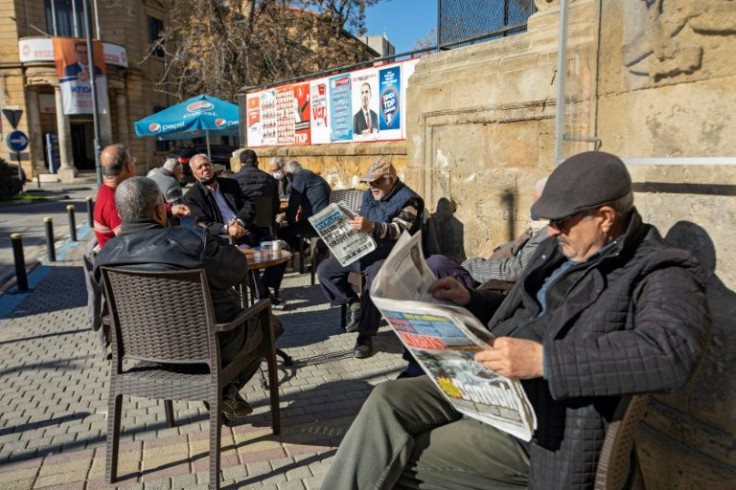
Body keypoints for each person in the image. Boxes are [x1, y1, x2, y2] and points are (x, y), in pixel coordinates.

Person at [321, 151, 710, 489]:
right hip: (487, 382)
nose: (551, 230)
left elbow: (672, 352)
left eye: (561, 221)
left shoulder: (660, 271)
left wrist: (543, 360)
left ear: (605, 218)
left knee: (393, 456)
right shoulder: (564, 248)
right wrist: (471, 299)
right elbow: (523, 310)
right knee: (386, 399)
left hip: (541, 422)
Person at [94, 177, 258, 426]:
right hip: (210, 347)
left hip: (148, 355)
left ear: (120, 213)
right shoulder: (192, 241)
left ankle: (224, 390)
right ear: (161, 209)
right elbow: (237, 268)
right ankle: (223, 389)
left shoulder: (104, 256)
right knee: (267, 323)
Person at [317, 158, 424, 358]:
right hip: (363, 249)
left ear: (390, 179)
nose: (372, 186)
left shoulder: (409, 200)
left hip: (390, 253)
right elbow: (361, 217)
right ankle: (352, 302)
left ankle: (365, 337)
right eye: (369, 182)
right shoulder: (369, 195)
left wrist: (371, 226)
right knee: (325, 271)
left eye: (376, 182)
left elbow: (398, 230)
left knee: (373, 284)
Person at [183, 153, 287, 308]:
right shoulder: (192, 197)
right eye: (200, 167)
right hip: (224, 239)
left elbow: (250, 205)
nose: (205, 168)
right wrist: (227, 229)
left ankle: (265, 284)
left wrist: (239, 221)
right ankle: (265, 297)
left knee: (283, 247)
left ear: (213, 166)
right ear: (194, 173)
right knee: (243, 258)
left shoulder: (230, 184)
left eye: (207, 164)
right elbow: (202, 224)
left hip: (247, 229)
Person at [426, 178, 549, 288]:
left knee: (437, 264)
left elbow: (513, 270)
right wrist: (494, 252)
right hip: (488, 269)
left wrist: (474, 265)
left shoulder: (547, 234)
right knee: (435, 263)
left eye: (537, 201)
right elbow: (516, 245)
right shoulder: (539, 227)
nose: (533, 207)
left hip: (492, 284)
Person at [276, 160, 332, 250]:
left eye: (287, 176)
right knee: (293, 227)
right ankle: (307, 249)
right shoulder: (311, 176)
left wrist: (289, 221)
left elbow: (293, 204)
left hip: (316, 222)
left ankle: (306, 248)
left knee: (281, 232)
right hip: (328, 219)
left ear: (290, 173)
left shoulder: (299, 177)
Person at [232, 150, 279, 222]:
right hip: (266, 224)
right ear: (257, 162)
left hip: (242, 225)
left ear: (240, 163)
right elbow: (275, 205)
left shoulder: (232, 180)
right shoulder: (270, 179)